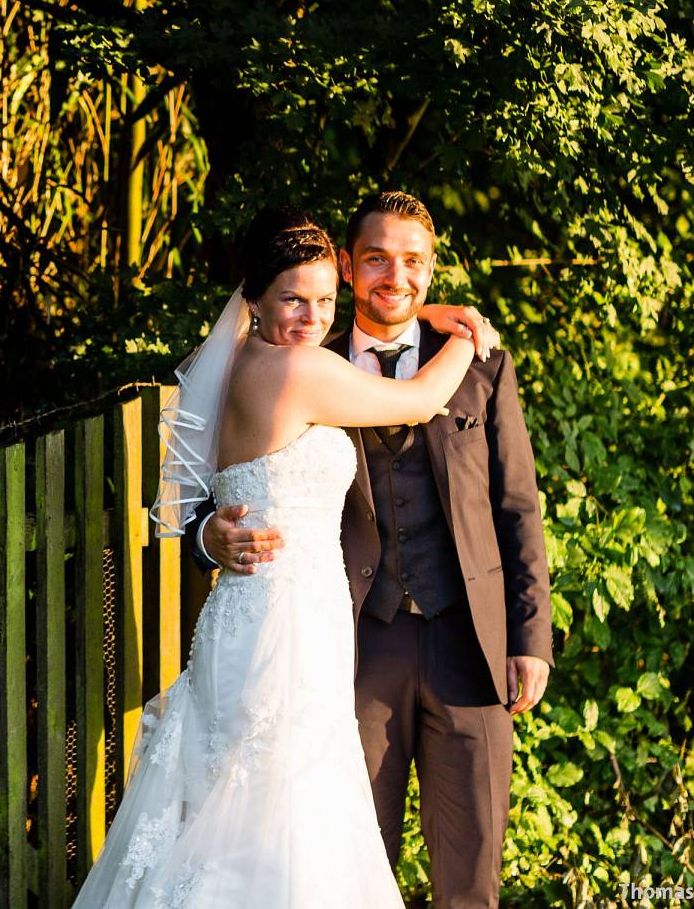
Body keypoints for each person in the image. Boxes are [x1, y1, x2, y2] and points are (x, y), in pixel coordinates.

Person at [70, 206, 499, 908]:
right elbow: (419, 400)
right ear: (257, 299)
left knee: (233, 802)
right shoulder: (299, 369)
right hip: (286, 625)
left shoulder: (241, 364)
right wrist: (469, 330)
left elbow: (199, 496)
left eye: (326, 300)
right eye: (293, 299)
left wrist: (209, 535)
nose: (311, 315)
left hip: (255, 613)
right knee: (283, 805)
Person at [194, 192, 552, 908]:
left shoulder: (485, 366)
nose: (396, 275)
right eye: (378, 259)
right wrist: (209, 536)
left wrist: (530, 638)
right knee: (347, 867)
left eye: (414, 261)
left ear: (432, 267)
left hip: (468, 645)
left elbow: (518, 506)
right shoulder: (299, 355)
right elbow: (218, 480)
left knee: (471, 878)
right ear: (349, 269)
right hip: (352, 649)